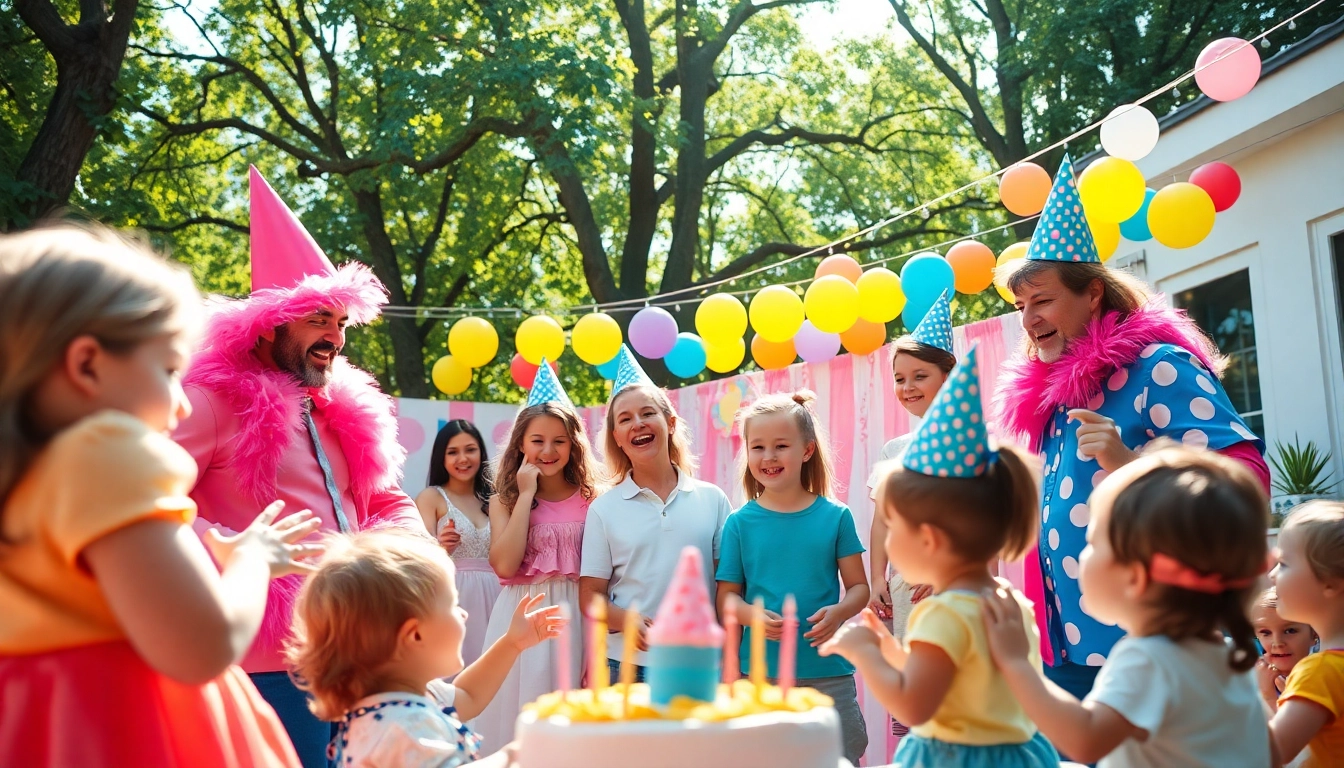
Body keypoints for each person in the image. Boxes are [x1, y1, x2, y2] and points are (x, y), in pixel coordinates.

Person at [0, 223, 318, 767]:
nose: (184, 404)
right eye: (170, 370)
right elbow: (206, 645)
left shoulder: (28, 475)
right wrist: (251, 561)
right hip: (129, 732)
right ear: (87, 364)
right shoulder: (107, 458)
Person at [173, 167, 428, 766]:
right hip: (264, 659)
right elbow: (141, 500)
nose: (335, 338)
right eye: (320, 319)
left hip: (349, 646)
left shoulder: (341, 412)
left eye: (341, 324)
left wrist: (408, 554)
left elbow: (385, 500)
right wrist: (232, 547)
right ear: (268, 323)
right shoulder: (211, 402)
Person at [994, 154, 1268, 701]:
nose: (1029, 319)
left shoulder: (1158, 367)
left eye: (1043, 300)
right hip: (1069, 645)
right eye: (1022, 305)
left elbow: (1247, 484)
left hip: (1159, 645)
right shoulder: (1055, 394)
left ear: (1092, 293)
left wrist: (1132, 467)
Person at [824, 347, 1059, 768]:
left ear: (928, 540)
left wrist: (867, 656)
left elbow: (917, 706)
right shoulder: (1006, 600)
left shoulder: (943, 614)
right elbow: (952, 677)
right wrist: (891, 651)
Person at [982, 444, 1273, 767]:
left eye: (1091, 542)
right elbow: (1269, 754)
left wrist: (1016, 662)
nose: (1081, 554)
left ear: (1135, 577)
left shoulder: (1148, 659)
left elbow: (1085, 740)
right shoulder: (1231, 656)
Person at [286, 528, 563, 767]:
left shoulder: (401, 703)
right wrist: (516, 755)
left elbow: (469, 694)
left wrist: (512, 643)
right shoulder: (404, 725)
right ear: (414, 635)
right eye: (453, 605)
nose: (463, 614)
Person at [716, 390, 870, 765]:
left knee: (841, 756)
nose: (768, 457)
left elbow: (860, 589)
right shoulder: (738, 523)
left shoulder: (836, 516)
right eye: (758, 447)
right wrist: (751, 615)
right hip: (760, 678)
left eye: (781, 445)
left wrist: (838, 613)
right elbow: (727, 600)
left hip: (828, 673)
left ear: (806, 450)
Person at [580, 347, 731, 682]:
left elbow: (727, 586)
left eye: (648, 413)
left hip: (700, 663)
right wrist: (626, 620)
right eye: (625, 419)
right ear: (617, 438)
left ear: (670, 423)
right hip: (628, 666)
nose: (638, 424)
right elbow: (590, 597)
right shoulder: (604, 510)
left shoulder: (713, 500)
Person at [473, 362, 598, 751]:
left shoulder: (593, 500)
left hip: (576, 617)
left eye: (559, 440)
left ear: (573, 444)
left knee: (570, 720)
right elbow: (506, 565)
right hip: (523, 615)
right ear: (520, 445)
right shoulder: (504, 501)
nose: (548, 450)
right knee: (518, 712)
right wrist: (526, 495)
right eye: (537, 440)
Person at [868, 294, 956, 634]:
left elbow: (986, 521)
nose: (907, 387)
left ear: (948, 377)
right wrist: (878, 576)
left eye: (920, 376)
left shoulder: (973, 444)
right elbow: (882, 523)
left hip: (958, 585)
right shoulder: (894, 451)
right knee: (915, 679)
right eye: (900, 378)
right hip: (908, 590)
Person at [416, 419, 501, 669]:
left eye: (470, 449)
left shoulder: (496, 499)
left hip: (497, 597)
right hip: (452, 597)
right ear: (441, 457)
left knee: (494, 671)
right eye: (452, 452)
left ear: (481, 453)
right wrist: (440, 548)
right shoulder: (431, 497)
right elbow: (415, 559)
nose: (462, 458)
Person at [1267, 501, 1344, 766]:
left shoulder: (1320, 671)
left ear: (1330, 583)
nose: (1273, 575)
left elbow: (1267, 754)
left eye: (1284, 564)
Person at [1253, 587, 1319, 713]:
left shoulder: (1323, 677)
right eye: (1266, 633)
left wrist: (1268, 696)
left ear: (1314, 633)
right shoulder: (1247, 679)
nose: (1277, 643)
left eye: (1290, 631)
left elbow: (1292, 732)